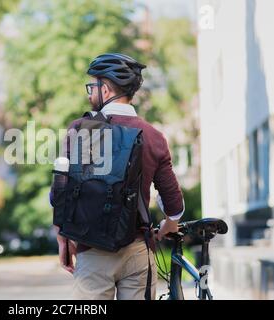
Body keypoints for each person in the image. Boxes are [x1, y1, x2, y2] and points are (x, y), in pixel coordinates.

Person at [53, 53, 185, 300]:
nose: (90, 92)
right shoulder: (153, 136)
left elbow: (59, 192)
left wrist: (64, 238)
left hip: (91, 250)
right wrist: (171, 223)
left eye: (92, 86)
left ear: (105, 90)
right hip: (137, 251)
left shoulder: (79, 130)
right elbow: (174, 203)